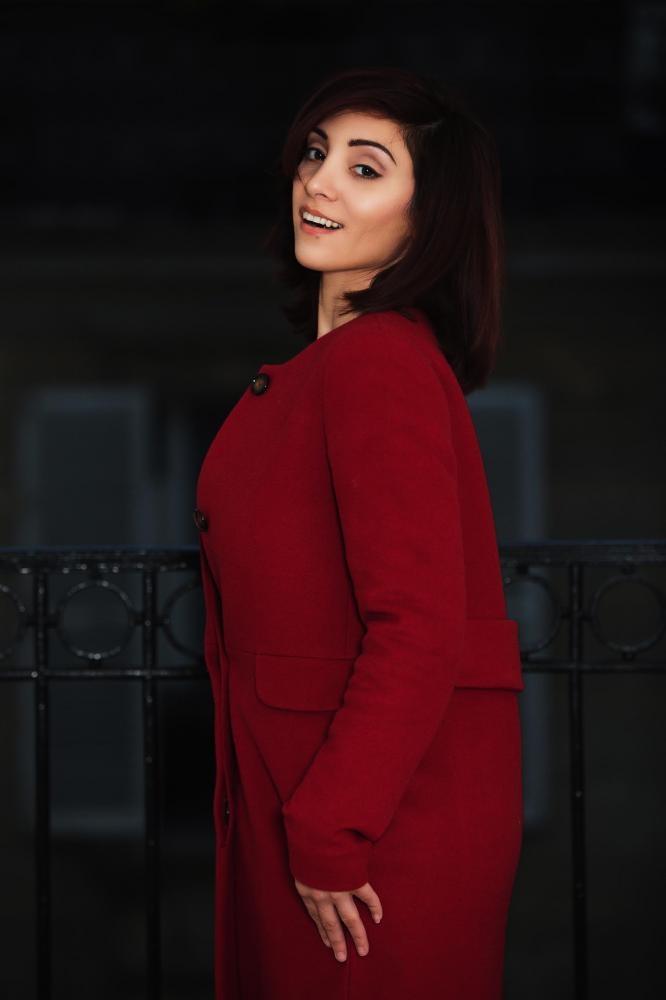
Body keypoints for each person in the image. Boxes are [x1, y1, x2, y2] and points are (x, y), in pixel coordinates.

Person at [194, 64, 524, 1000]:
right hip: (329, 810)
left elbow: (418, 624)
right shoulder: (344, 363)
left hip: (367, 836)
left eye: (365, 167)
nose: (320, 182)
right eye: (315, 153)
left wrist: (332, 828)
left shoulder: (378, 362)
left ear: (429, 219)